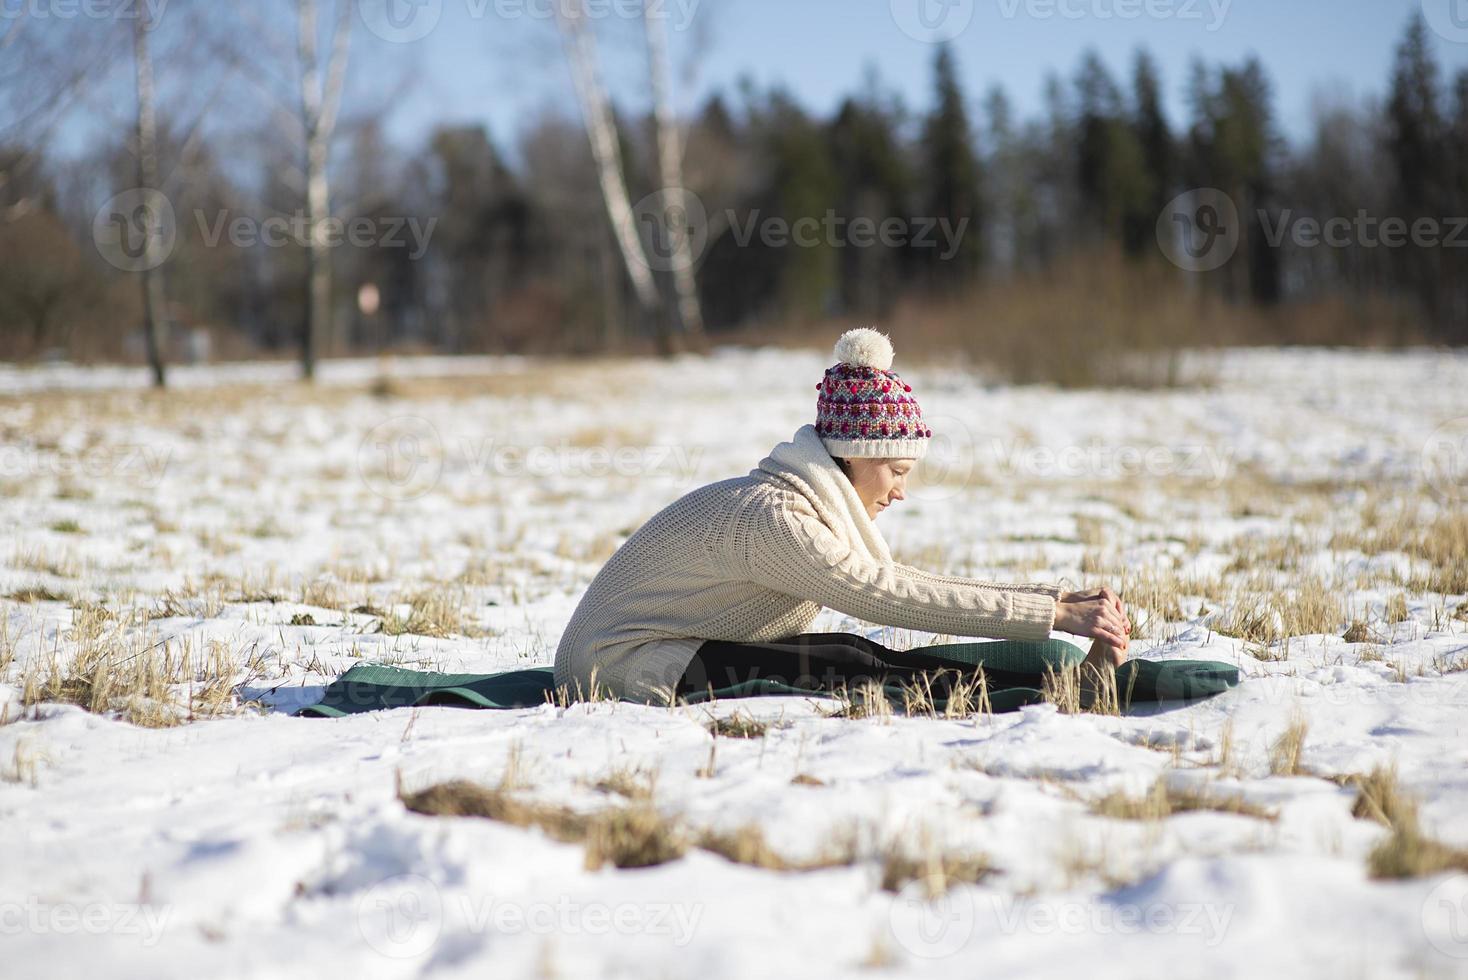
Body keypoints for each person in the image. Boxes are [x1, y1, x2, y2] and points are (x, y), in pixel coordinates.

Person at [551, 327, 1132, 706]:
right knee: (848, 666)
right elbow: (886, 593)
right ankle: (1064, 690)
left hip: (663, 645)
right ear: (855, 454)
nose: (901, 492)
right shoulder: (774, 520)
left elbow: (896, 584)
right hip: (615, 667)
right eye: (898, 472)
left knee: (851, 656)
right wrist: (1053, 611)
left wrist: (1054, 601)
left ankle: (1059, 683)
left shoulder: (804, 499)